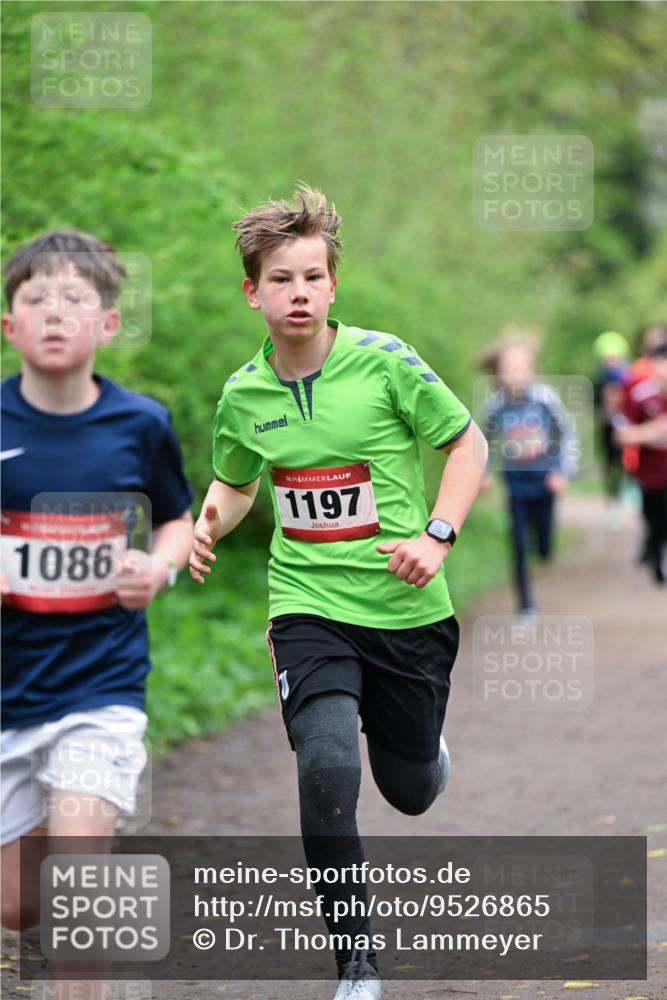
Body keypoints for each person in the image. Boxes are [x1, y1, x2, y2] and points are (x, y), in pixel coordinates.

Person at [189, 185, 487, 1000]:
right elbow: (237, 481)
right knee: (324, 769)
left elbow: (467, 446)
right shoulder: (244, 393)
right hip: (307, 607)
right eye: (281, 279)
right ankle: (356, 965)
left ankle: (426, 756)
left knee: (410, 790)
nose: (299, 294)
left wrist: (437, 535)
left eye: (313, 277)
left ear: (332, 284)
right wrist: (206, 522)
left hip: (405, 608)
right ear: (252, 290)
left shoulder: (386, 361)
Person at [1, 231, 193, 967]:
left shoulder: (139, 424)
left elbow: (177, 516)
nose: (54, 313)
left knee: (83, 887)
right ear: (9, 324)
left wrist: (160, 567)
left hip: (100, 686)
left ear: (107, 324)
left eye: (74, 299)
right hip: (9, 696)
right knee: (19, 907)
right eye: (35, 298)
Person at [481, 337, 579, 619]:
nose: (515, 373)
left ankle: (546, 548)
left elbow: (566, 434)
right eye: (509, 368)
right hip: (516, 483)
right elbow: (481, 441)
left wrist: (562, 471)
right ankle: (525, 605)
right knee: (519, 543)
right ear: (500, 373)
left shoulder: (544, 399)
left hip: (545, 480)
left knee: (544, 546)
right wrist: (485, 472)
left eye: (521, 367)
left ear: (532, 370)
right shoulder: (496, 406)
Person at [615, 325, 667, 584]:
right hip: (650, 474)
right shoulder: (639, 393)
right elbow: (622, 433)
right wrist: (650, 433)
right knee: (654, 517)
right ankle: (654, 550)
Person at [592, 330, 630, 521]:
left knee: (626, 462)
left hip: (626, 429)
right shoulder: (599, 380)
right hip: (608, 429)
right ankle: (611, 499)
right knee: (610, 465)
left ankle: (626, 494)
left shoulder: (629, 377)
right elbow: (595, 406)